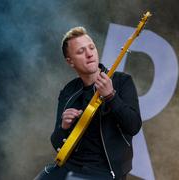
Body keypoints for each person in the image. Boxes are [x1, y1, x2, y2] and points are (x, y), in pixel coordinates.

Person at [35, 26, 142, 180]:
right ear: (70, 61)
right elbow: (57, 143)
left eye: (91, 47)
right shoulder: (69, 91)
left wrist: (111, 96)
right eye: (80, 51)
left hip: (106, 170)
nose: (89, 54)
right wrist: (64, 127)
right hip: (70, 166)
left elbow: (133, 126)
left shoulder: (121, 81)